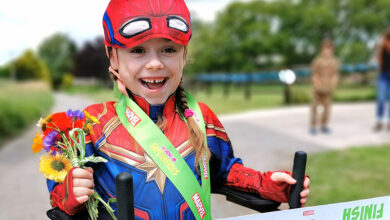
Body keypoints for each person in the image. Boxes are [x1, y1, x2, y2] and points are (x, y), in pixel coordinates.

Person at [46, 0, 310, 219]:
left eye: (168, 50)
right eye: (138, 50)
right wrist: (70, 195)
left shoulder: (202, 117)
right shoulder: (89, 125)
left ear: (184, 56)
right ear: (112, 55)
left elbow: (224, 172)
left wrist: (266, 185)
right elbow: (60, 196)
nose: (155, 64)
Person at [310, 39, 340, 135]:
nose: (327, 51)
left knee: (327, 108)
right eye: (325, 49)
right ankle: (313, 126)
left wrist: (333, 84)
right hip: (318, 88)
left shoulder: (334, 61)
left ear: (332, 50)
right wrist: (317, 84)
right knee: (314, 106)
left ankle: (324, 125)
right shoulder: (317, 61)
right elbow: (314, 74)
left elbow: (335, 75)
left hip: (328, 88)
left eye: (329, 49)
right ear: (322, 50)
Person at [374, 29, 390, 132]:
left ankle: (389, 123)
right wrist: (380, 44)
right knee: (381, 98)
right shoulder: (381, 50)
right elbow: (376, 59)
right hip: (383, 76)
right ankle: (379, 121)